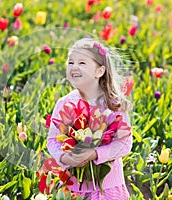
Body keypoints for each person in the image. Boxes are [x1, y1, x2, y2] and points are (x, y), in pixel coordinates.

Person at [47, 37, 133, 200]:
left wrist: (94, 153)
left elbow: (124, 144)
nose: (74, 67)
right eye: (70, 62)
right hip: (72, 188)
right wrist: (66, 158)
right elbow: (52, 140)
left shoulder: (114, 105)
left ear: (99, 71)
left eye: (82, 63)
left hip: (107, 188)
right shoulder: (64, 103)